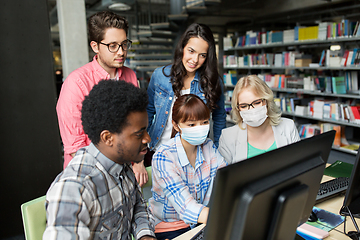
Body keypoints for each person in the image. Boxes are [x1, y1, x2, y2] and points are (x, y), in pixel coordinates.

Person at [43, 80, 156, 240]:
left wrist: (145, 236)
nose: (147, 138)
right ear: (108, 138)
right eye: (139, 134)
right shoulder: (75, 188)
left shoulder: (121, 162)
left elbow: (137, 206)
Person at [56, 11, 148, 186]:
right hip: (89, 178)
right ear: (95, 46)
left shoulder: (130, 76)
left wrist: (139, 161)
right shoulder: (77, 83)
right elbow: (76, 147)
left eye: (124, 44)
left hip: (124, 175)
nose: (121, 52)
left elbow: (136, 125)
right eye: (112, 46)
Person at [146, 23, 226, 166]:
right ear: (182, 48)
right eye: (191, 51)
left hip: (194, 154)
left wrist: (219, 150)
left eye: (202, 55)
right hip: (157, 149)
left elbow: (219, 119)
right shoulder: (159, 76)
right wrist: (139, 151)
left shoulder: (214, 82)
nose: (195, 60)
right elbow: (147, 113)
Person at [149, 94, 227, 240]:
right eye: (191, 125)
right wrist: (224, 217)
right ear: (176, 125)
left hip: (200, 222)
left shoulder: (208, 146)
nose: (200, 128)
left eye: (204, 122)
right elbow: (186, 208)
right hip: (170, 228)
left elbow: (226, 180)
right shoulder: (164, 156)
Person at [218, 75, 300, 164]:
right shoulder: (228, 137)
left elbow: (300, 166)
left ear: (267, 101)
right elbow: (224, 176)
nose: (251, 109)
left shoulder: (288, 127)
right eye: (244, 106)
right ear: (238, 109)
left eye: (257, 103)